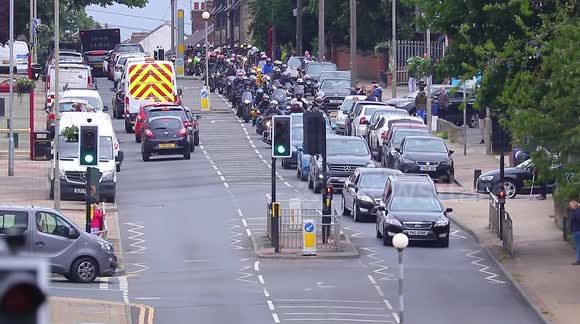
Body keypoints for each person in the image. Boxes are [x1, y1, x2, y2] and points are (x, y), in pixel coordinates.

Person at [570, 200, 580, 265]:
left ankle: (578, 260)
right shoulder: (577, 211)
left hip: (577, 230)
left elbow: (572, 222)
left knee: (578, 245)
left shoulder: (575, 213)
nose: (570, 206)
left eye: (570, 205)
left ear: (574, 206)